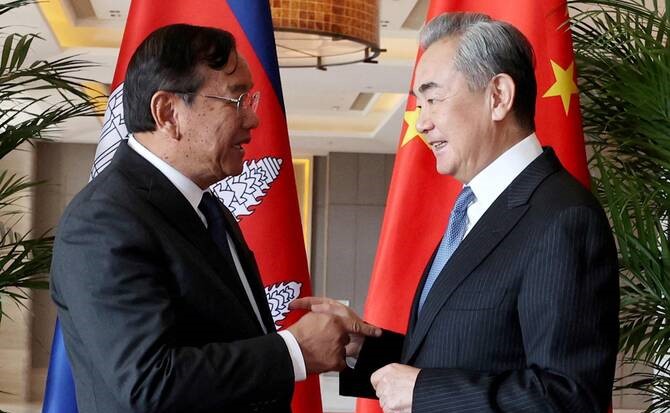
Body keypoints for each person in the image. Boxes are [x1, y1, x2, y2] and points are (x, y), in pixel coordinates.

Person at [292, 12, 619, 413]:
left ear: (498, 96)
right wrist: (365, 348)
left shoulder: (562, 218)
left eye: (433, 99)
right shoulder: (475, 206)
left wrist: (424, 391)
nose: (421, 122)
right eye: (419, 104)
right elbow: (468, 354)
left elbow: (569, 397)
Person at [50, 24, 379, 413]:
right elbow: (148, 383)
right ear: (168, 112)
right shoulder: (102, 221)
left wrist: (344, 346)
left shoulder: (207, 207)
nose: (253, 119)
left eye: (250, 99)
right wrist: (295, 350)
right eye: (237, 99)